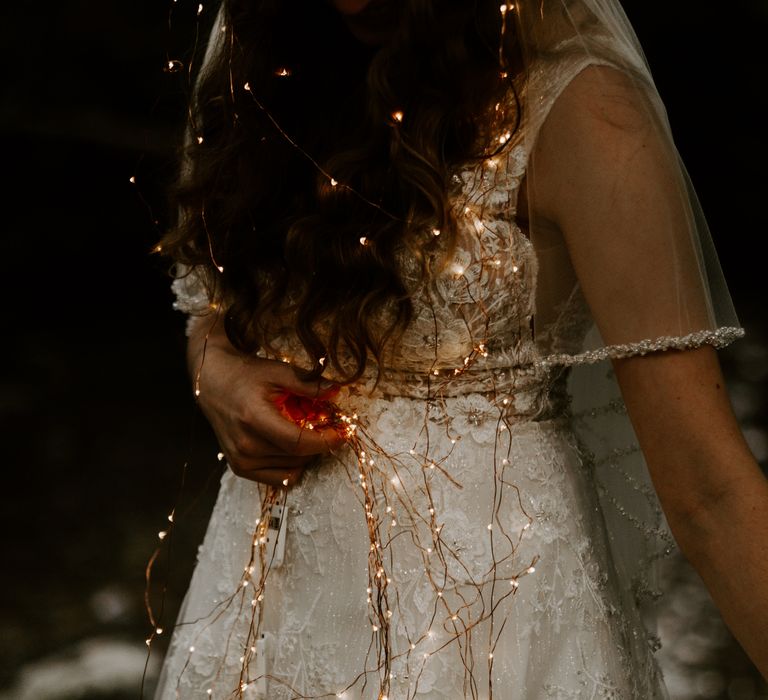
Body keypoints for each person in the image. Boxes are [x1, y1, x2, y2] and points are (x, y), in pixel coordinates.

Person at [152, 0, 768, 697]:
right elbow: (208, 297)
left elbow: (710, 491)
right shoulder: (265, 56)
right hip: (269, 599)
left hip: (489, 623)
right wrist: (214, 364)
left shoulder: (583, 113)